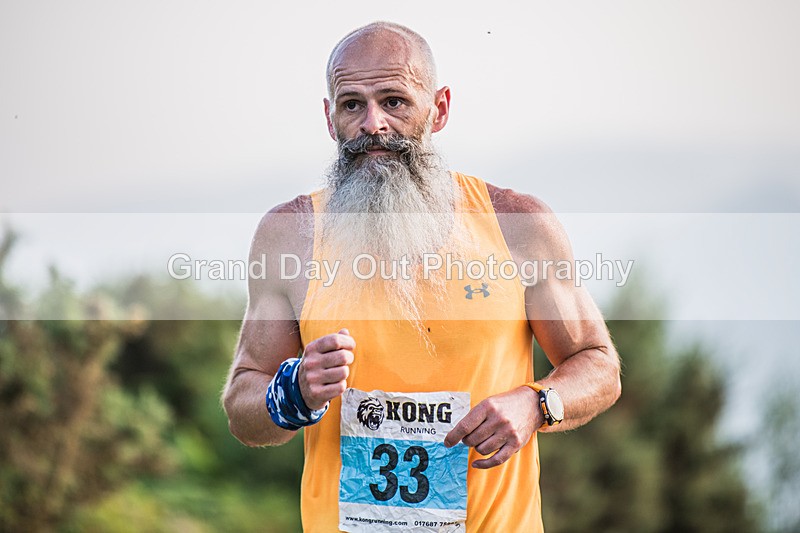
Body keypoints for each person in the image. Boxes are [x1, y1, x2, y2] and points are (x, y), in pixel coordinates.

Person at [223, 21, 621, 532]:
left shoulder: (516, 225)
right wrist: (292, 390)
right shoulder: (292, 234)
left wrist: (537, 403)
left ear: (440, 108)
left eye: (394, 101)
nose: (373, 124)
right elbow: (241, 406)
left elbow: (598, 365)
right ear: (329, 117)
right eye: (352, 105)